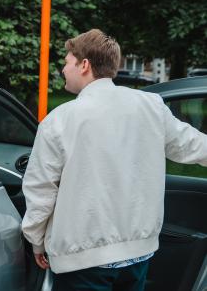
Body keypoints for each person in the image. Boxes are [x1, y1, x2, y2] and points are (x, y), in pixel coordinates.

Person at [22, 29, 207, 290]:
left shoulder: (60, 119)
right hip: (138, 254)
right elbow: (193, 145)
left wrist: (36, 240)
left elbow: (41, 188)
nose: (63, 69)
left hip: (83, 260)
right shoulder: (151, 106)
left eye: (67, 62)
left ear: (84, 65)